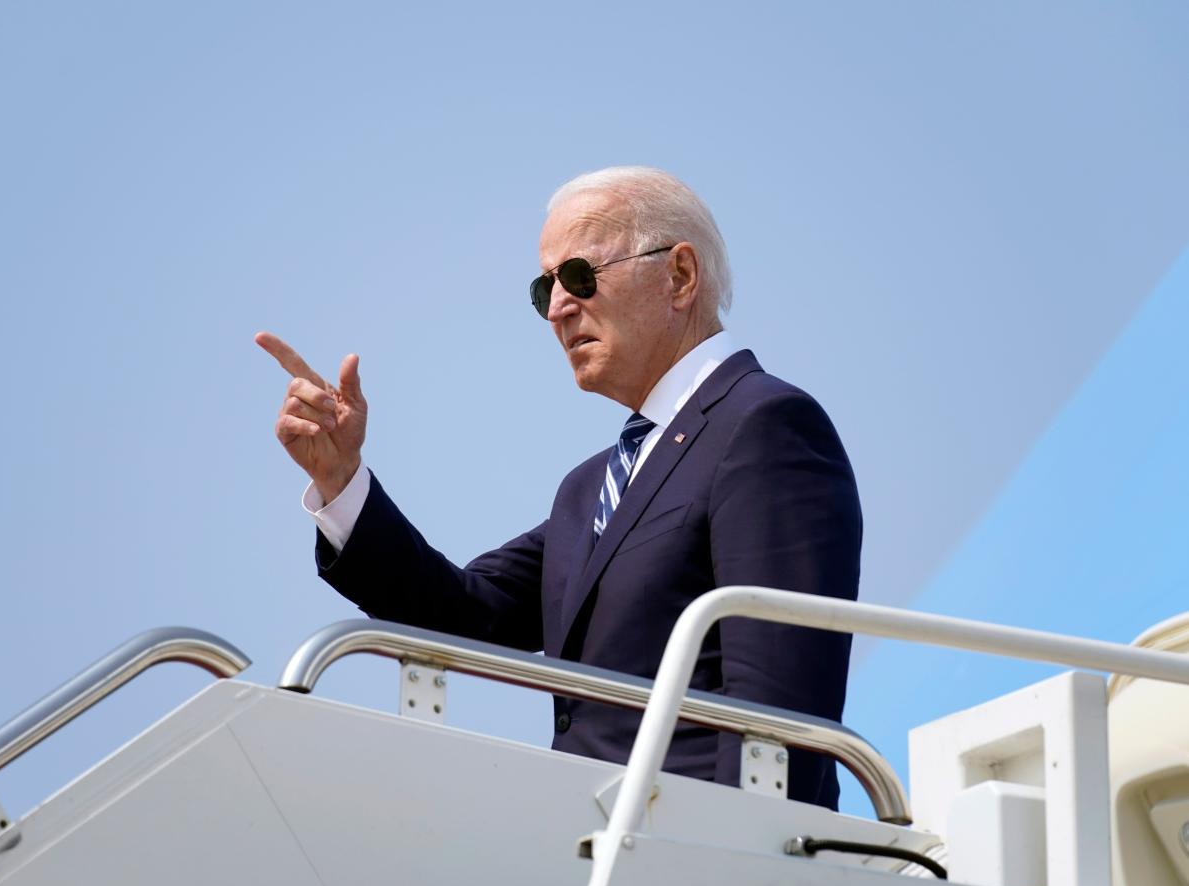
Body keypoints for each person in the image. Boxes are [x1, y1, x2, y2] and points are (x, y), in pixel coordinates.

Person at [257, 166, 861, 810]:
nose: (557, 308)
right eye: (543, 287)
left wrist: (737, 870)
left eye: (579, 276)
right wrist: (341, 480)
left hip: (696, 866)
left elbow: (776, 714)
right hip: (596, 856)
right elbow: (465, 615)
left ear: (679, 276)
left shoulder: (763, 424)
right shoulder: (591, 486)